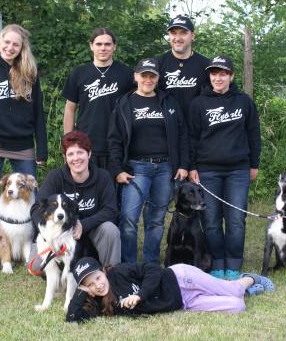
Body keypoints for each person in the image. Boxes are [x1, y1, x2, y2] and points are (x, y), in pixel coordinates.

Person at [0, 24, 48, 270]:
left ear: (21, 47)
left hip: (22, 143)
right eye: (7, 42)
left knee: (32, 196)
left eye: (16, 44)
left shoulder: (29, 74)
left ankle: (34, 244)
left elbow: (38, 115)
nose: (10, 47)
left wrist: (41, 149)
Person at [107, 58, 189, 264]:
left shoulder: (168, 102)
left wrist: (183, 164)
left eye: (152, 75)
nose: (148, 79)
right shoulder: (124, 103)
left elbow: (182, 134)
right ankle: (129, 263)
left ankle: (151, 263)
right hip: (136, 168)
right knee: (128, 219)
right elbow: (114, 139)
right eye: (144, 75)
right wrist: (117, 169)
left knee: (156, 220)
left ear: (157, 78)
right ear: (135, 77)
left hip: (165, 168)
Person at [188, 55, 261, 280]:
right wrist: (191, 166)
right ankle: (217, 262)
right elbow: (191, 137)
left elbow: (253, 134)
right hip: (207, 170)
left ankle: (233, 263)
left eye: (222, 74)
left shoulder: (244, 101)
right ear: (209, 76)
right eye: (214, 73)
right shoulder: (198, 103)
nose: (218, 78)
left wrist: (254, 164)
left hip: (238, 170)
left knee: (236, 218)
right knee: (210, 220)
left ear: (231, 76)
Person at [66, 256, 275, 323]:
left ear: (103, 271)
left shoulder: (118, 273)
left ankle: (247, 280)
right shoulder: (100, 304)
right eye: (91, 284)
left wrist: (140, 295)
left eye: (98, 278)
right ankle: (250, 290)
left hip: (181, 278)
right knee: (237, 306)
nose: (99, 285)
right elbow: (72, 318)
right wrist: (82, 291)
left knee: (234, 292)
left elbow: (153, 270)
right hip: (184, 303)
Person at [29, 131, 120, 268]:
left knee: (111, 230)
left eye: (80, 152)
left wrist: (83, 224)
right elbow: (36, 208)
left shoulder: (103, 177)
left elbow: (111, 210)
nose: (76, 158)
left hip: (92, 232)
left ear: (89, 154)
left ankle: (111, 273)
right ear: (65, 157)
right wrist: (46, 235)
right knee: (36, 266)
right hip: (59, 233)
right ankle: (63, 269)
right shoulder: (55, 177)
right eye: (71, 154)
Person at [62, 28, 134, 169]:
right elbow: (70, 109)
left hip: (116, 145)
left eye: (107, 44)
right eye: (99, 44)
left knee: (113, 190)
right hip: (85, 144)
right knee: (85, 189)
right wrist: (68, 142)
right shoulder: (79, 73)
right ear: (91, 46)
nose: (103, 48)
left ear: (114, 46)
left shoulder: (126, 73)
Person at [156, 15, 211, 115]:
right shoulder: (157, 64)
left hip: (197, 126)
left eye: (183, 33)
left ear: (193, 36)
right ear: (169, 35)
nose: (178, 38)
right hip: (166, 125)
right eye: (173, 33)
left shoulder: (207, 65)